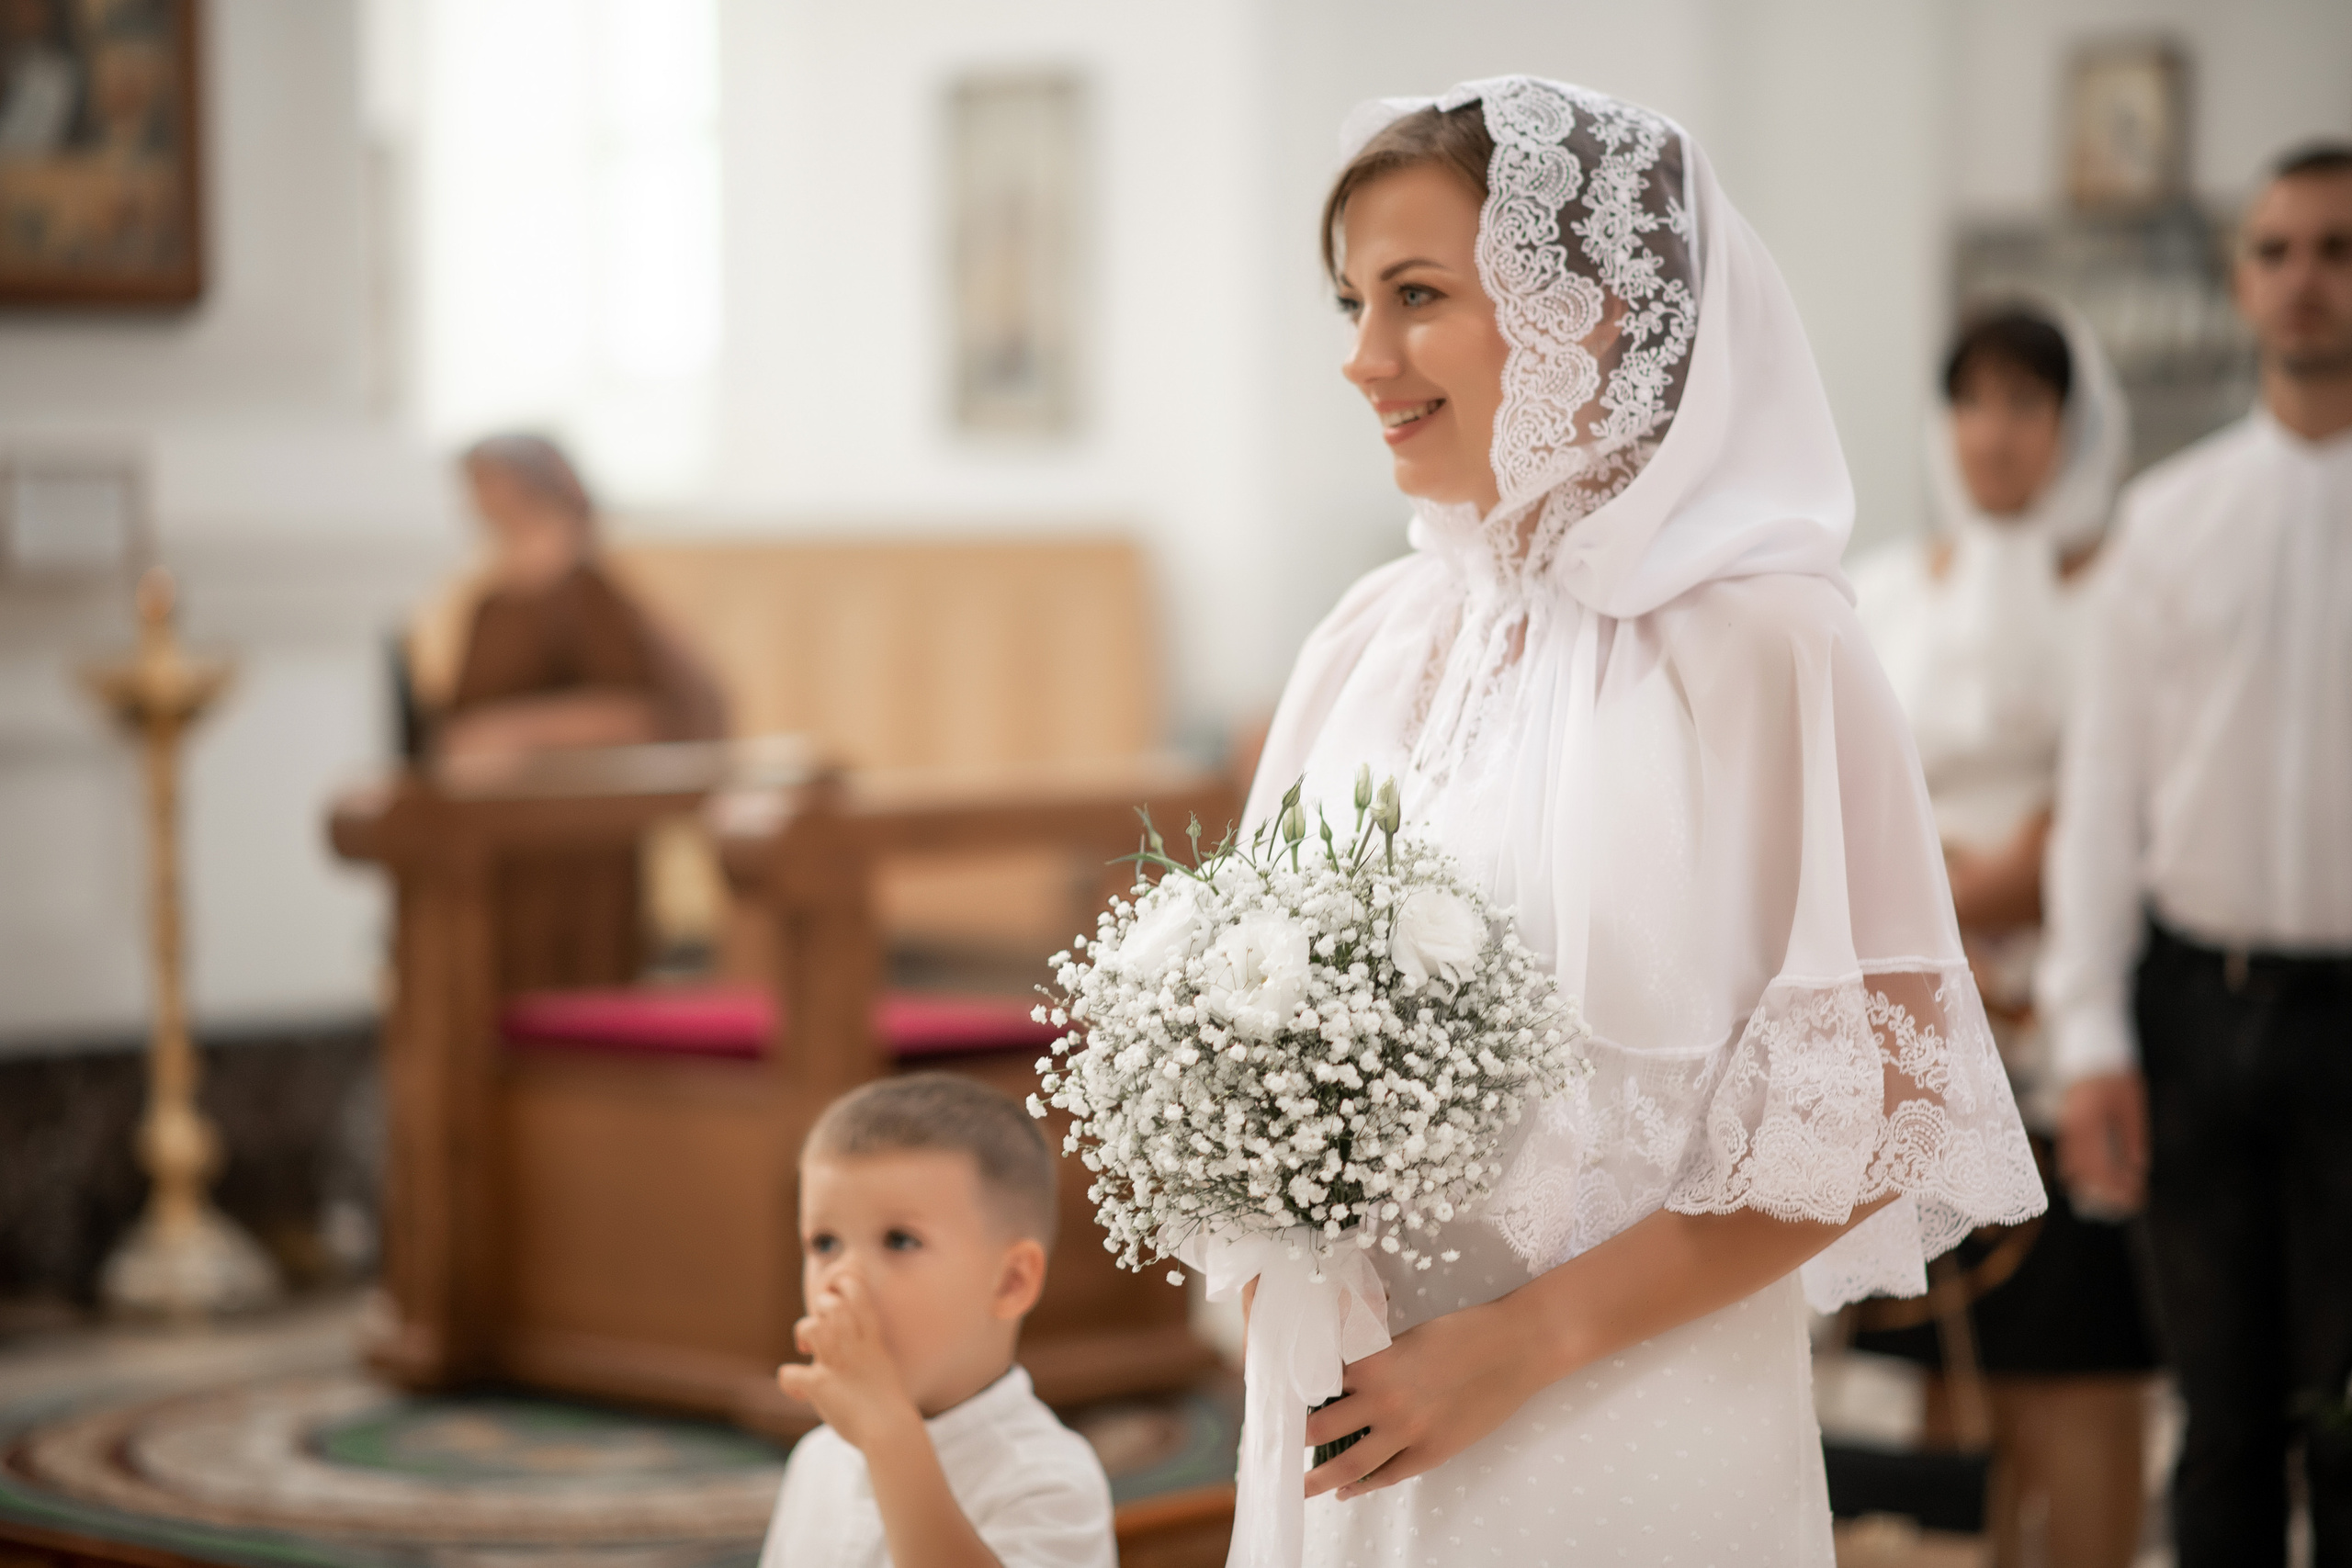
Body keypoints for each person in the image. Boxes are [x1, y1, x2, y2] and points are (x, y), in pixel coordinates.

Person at [1242, 77, 2043, 1562]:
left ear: (1588, 311)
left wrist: (1526, 1340)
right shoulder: (1368, 637)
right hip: (1347, 1413)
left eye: (1416, 295)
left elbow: (1878, 1105)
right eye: (1352, 302)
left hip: (1624, 1417)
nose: (1363, 356)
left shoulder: (1766, 644)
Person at [2041, 141, 2352, 1568]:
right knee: (2218, 1423)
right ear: (2240, 281)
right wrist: (2090, 1034)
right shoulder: (2166, 523)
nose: (2306, 279)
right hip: (2194, 1014)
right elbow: (2102, 790)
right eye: (2278, 250)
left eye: (2339, 249)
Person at [1849, 303, 2157, 1566]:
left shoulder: (2128, 594)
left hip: (2078, 1026)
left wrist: (2029, 867)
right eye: (1971, 399)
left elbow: (2141, 785)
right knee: (1945, 1379)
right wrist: (1944, 903)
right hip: (1922, 1027)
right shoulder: (1880, 592)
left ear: (2074, 423)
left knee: (2081, 1368)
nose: (1995, 430)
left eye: (2026, 401)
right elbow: (1843, 790)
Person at [759, 1074, 1116, 1568]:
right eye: (825, 1243)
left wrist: (889, 1438)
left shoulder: (1048, 1482)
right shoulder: (817, 1457)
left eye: (900, 1241)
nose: (843, 1279)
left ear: (1010, 1282)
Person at [407, 433, 725, 766]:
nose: (477, 498)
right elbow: (463, 715)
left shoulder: (588, 593)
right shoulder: (491, 605)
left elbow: (646, 715)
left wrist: (523, 731)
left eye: (490, 482)